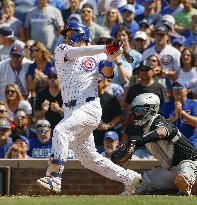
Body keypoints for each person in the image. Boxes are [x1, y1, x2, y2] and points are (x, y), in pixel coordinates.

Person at [36, 22, 141, 194]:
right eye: (67, 34)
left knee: (61, 131)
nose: (67, 37)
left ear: (82, 34)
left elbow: (107, 74)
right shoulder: (62, 49)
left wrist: (109, 58)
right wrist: (106, 48)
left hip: (88, 106)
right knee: (89, 159)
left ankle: (55, 177)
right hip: (71, 110)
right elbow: (81, 52)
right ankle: (129, 177)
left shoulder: (98, 55)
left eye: (71, 33)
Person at [126, 93, 197, 195]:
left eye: (139, 110)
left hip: (191, 163)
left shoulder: (159, 121)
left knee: (184, 174)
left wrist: (139, 141)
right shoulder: (147, 128)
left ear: (151, 109)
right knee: (140, 183)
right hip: (171, 170)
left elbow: (162, 132)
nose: (136, 114)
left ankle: (184, 187)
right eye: (135, 110)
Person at [160, 81, 197, 148]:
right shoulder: (166, 106)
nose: (177, 90)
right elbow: (161, 126)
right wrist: (174, 117)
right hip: (171, 143)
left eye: (180, 88)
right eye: (175, 88)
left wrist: (182, 113)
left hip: (191, 143)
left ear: (187, 90)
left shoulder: (194, 104)